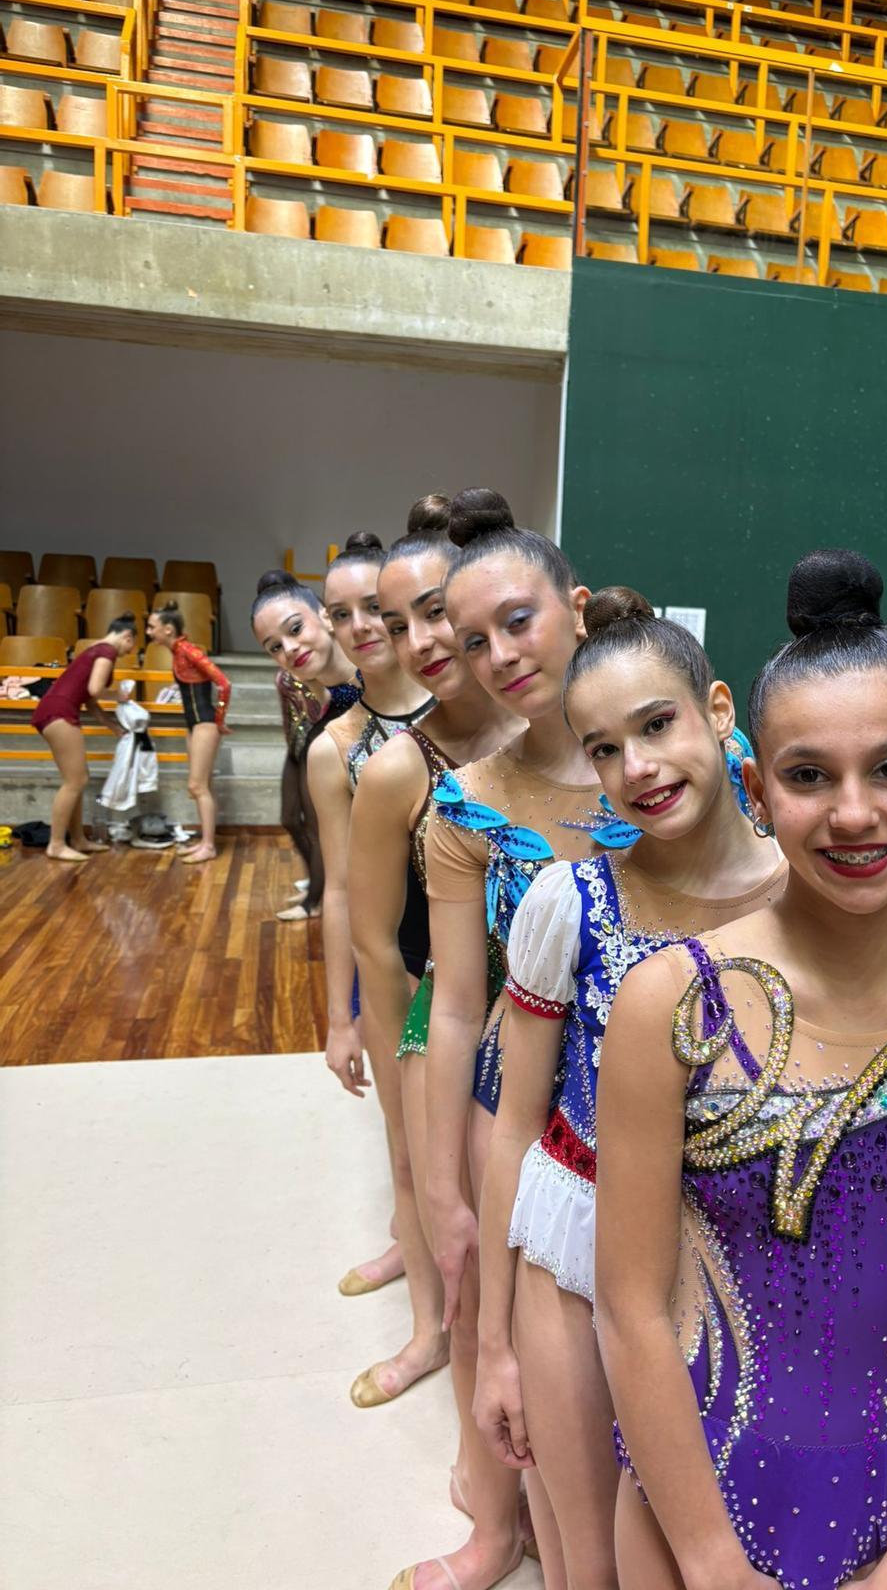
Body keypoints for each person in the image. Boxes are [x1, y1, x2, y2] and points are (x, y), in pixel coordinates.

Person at [594, 550, 887, 1590]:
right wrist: (710, 1560)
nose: (854, 813)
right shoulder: (668, 1005)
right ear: (758, 790)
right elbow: (629, 1307)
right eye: (810, 776)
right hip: (687, 1517)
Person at [473, 588, 786, 1587]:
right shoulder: (569, 902)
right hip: (574, 1258)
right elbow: (513, 1127)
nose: (638, 767)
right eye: (605, 749)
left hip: (748, 1270)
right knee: (590, 1564)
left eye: (657, 726)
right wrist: (494, 1344)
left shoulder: (814, 897)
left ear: (718, 711)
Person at [397, 499, 622, 1590]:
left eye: (518, 622)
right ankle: (493, 1528)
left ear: (576, 609)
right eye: (474, 639)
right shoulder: (468, 802)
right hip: (514, 1091)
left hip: (658, 1089)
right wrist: (442, 1182)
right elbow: (453, 1002)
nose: (499, 656)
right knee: (486, 1301)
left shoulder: (678, 757)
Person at [346, 511, 520, 1408]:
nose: (418, 641)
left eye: (434, 611)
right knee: (427, 1182)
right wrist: (393, 1056)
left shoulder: (563, 734)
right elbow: (374, 939)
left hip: (555, 1018)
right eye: (395, 623)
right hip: (443, 1011)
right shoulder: (395, 771)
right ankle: (428, 1333)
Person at [303, 532, 434, 1333]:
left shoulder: (466, 710)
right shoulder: (337, 747)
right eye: (340, 613)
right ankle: (415, 1266)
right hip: (401, 967)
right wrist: (340, 1018)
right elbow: (343, 891)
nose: (360, 626)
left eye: (374, 609)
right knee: (405, 1141)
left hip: (497, 959)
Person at [251, 569, 360, 922]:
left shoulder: (365, 665)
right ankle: (317, 892)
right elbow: (320, 706)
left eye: (295, 629)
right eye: (274, 647)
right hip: (315, 743)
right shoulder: (301, 676)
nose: (289, 648)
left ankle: (315, 896)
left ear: (325, 615)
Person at [32, 613, 137, 861]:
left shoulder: (94, 651)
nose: (130, 652)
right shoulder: (107, 651)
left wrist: (112, 726)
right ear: (127, 636)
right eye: (132, 645)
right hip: (59, 712)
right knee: (75, 781)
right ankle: (56, 845)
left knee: (76, 779)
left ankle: (78, 839)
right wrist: (118, 695)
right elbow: (95, 689)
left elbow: (89, 700)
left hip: (53, 710)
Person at [146, 601, 232, 865]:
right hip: (194, 725)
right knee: (202, 786)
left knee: (197, 786)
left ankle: (209, 846)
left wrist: (219, 720)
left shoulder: (188, 651)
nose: (149, 632)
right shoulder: (178, 651)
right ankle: (205, 841)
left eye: (152, 627)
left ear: (168, 629)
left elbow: (224, 683)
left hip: (204, 723)